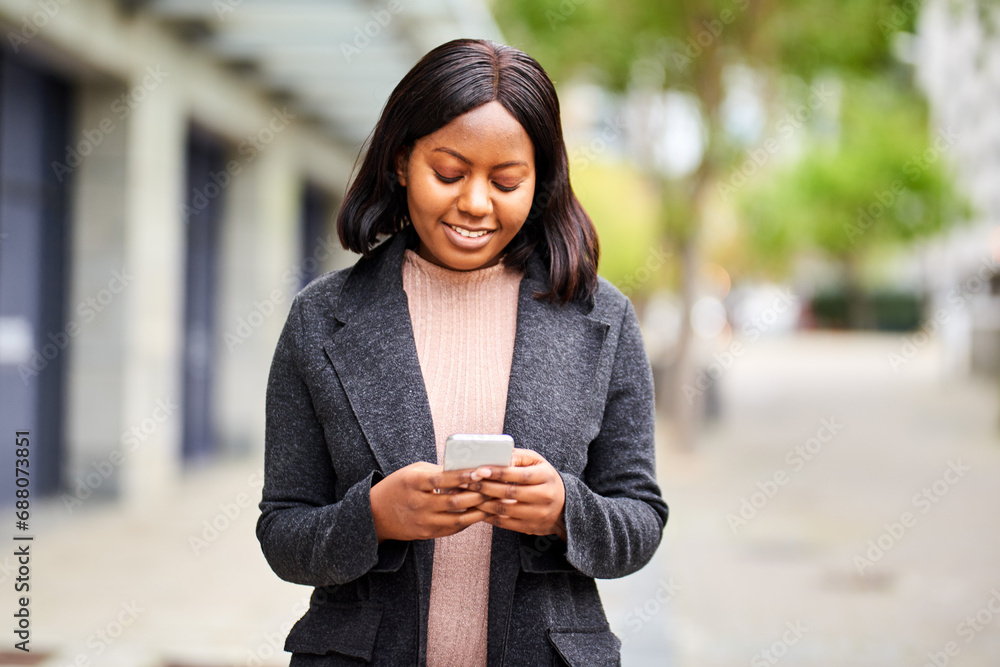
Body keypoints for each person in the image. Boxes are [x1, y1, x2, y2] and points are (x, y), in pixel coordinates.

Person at [256, 38, 668, 666]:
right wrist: (372, 517)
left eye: (507, 182)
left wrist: (565, 511)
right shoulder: (320, 319)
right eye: (448, 173)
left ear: (540, 181)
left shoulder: (600, 317)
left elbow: (640, 521)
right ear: (401, 162)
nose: (475, 203)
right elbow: (283, 532)